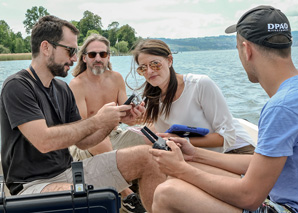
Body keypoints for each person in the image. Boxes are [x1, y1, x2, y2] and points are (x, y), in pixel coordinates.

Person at [0, 15, 166, 212]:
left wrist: (115, 119)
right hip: (32, 185)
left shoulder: (61, 88)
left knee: (149, 157)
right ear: (46, 47)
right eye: (70, 50)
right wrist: (98, 120)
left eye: (75, 51)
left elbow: (84, 142)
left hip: (69, 172)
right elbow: (44, 141)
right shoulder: (17, 86)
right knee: (90, 199)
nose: (73, 58)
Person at [149, 5, 298, 212]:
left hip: (287, 207)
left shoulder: (280, 107)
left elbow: (249, 197)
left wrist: (181, 170)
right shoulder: (292, 96)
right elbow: (261, 164)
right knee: (187, 167)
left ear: (246, 50)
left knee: (167, 193)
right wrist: (194, 155)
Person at [128, 39, 255, 154]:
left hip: (236, 151)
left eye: (155, 64)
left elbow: (228, 137)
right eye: (143, 68)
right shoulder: (153, 99)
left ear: (170, 60)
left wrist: (184, 140)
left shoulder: (199, 85)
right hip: (199, 155)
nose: (149, 71)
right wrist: (133, 118)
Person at [68, 33, 147, 212]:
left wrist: (135, 114)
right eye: (92, 54)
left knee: (152, 134)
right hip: (85, 143)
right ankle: (127, 194)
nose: (98, 58)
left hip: (115, 134)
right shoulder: (76, 85)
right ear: (84, 58)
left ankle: (153, 192)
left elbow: (128, 117)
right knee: (99, 135)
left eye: (102, 54)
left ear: (108, 57)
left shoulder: (117, 78)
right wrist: (104, 122)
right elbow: (81, 128)